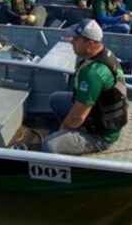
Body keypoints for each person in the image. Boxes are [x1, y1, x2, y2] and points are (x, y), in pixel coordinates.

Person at [42, 19, 127, 155]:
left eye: (76, 39)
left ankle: (74, 147)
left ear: (90, 43)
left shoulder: (93, 73)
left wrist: (62, 129)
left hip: (102, 135)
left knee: (49, 144)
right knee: (55, 99)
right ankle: (71, 137)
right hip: (100, 115)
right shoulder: (104, 54)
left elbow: (78, 117)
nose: (71, 41)